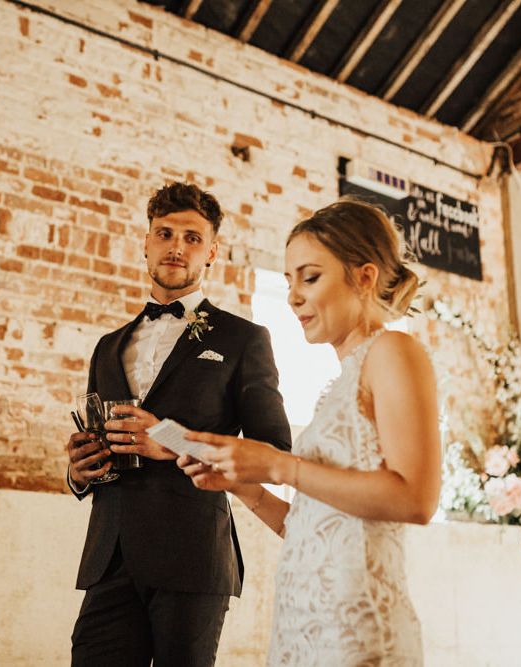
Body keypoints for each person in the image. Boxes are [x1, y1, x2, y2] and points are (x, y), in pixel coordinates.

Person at [179, 199, 442, 665]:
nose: (293, 296)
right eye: (288, 281)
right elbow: (310, 526)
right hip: (303, 624)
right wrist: (242, 483)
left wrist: (280, 464)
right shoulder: (335, 388)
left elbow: (416, 499)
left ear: (364, 277)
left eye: (310, 277)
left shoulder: (394, 351)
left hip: (356, 631)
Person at [66, 182, 291, 666]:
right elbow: (103, 444)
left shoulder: (244, 339)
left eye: (192, 238)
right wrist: (80, 471)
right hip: (110, 556)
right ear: (145, 243)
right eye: (164, 233)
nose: (176, 246)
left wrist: (169, 439)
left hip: (193, 558)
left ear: (212, 251)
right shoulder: (108, 346)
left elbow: (271, 453)